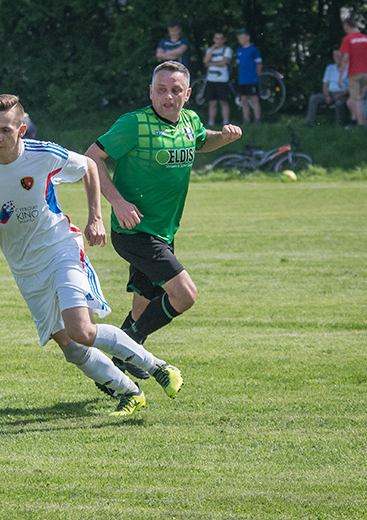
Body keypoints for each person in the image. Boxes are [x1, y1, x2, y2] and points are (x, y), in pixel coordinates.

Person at [0, 94, 184, 417]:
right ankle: (128, 391)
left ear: (21, 130)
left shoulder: (43, 154)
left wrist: (96, 217)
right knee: (71, 348)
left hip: (61, 248)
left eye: (5, 130)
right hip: (23, 266)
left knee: (82, 330)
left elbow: (90, 165)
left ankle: (158, 367)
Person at [85, 61, 242, 394]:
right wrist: (118, 202)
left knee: (144, 301)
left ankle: (113, 371)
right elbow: (91, 158)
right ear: (150, 92)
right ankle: (134, 350)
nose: (167, 97)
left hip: (164, 232)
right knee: (185, 295)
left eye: (175, 90)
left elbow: (202, 141)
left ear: (186, 94)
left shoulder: (190, 121)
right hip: (133, 232)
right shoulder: (134, 124)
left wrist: (222, 139)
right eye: (161, 89)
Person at [338, 18, 367, 127]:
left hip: (354, 72)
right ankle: (356, 120)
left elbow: (345, 58)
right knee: (358, 98)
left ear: (346, 26)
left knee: (355, 100)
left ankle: (360, 124)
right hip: (366, 72)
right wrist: (366, 58)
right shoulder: (366, 38)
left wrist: (340, 76)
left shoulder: (347, 39)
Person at [306, 50, 350, 127]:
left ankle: (339, 125)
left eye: (340, 56)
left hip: (343, 94)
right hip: (330, 93)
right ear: (333, 57)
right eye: (336, 56)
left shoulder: (348, 69)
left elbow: (351, 87)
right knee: (313, 98)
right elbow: (325, 84)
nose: (338, 58)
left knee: (339, 103)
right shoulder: (330, 68)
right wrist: (327, 96)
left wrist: (341, 95)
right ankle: (310, 123)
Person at [202, 31, 233, 127]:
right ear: (214, 39)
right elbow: (205, 61)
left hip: (222, 80)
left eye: (220, 38)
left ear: (224, 40)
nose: (218, 41)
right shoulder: (210, 50)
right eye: (216, 38)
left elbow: (223, 63)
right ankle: (211, 122)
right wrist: (212, 49)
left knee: (223, 101)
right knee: (212, 102)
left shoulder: (227, 50)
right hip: (211, 80)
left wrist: (210, 64)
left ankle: (226, 122)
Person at [235, 28, 262, 124]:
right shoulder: (239, 50)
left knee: (254, 99)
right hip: (242, 79)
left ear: (247, 37)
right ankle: (246, 120)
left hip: (252, 79)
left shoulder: (254, 50)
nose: (240, 38)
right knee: (243, 99)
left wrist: (257, 76)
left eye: (242, 36)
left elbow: (259, 64)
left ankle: (257, 119)